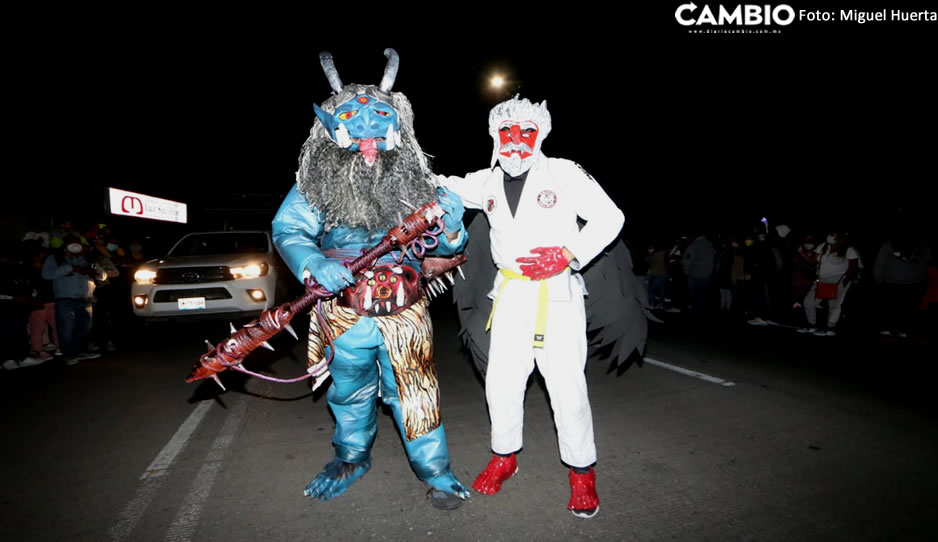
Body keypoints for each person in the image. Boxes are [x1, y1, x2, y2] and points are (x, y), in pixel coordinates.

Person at [271, 49, 470, 509]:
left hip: (405, 306)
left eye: (378, 116)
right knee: (349, 390)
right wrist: (313, 262)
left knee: (415, 387)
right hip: (341, 308)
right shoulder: (313, 183)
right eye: (352, 118)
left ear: (396, 124)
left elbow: (442, 249)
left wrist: (455, 229)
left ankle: (435, 471)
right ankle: (351, 457)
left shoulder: (419, 183)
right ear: (331, 125)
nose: (366, 129)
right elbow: (289, 229)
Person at [440, 96, 625, 519]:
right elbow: (441, 183)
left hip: (557, 293)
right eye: (507, 132)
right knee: (501, 382)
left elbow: (610, 217)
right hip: (509, 296)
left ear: (540, 134)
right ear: (494, 136)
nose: (516, 141)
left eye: (526, 131)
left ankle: (582, 471)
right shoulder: (485, 181)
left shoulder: (562, 171)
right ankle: (505, 456)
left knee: (566, 385)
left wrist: (568, 253)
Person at [41, 235, 104, 364]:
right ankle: (68, 355)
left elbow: (103, 275)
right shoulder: (55, 258)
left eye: (78, 243)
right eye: (72, 243)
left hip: (85, 299)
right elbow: (46, 275)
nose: (75, 245)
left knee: (84, 328)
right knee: (66, 329)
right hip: (65, 299)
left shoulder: (87, 258)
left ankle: (81, 351)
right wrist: (72, 268)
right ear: (65, 245)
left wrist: (92, 271)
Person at [799, 231, 859, 336]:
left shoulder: (849, 250)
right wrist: (802, 253)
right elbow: (813, 261)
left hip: (838, 280)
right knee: (808, 302)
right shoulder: (823, 246)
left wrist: (843, 283)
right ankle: (812, 325)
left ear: (840, 237)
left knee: (834, 306)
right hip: (822, 280)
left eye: (834, 235)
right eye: (830, 234)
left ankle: (830, 328)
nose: (830, 236)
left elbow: (853, 268)